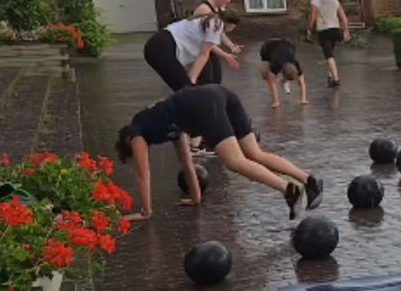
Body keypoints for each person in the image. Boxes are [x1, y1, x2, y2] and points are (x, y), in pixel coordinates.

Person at [114, 85, 323, 221]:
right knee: (254, 153)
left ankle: (289, 190)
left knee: (234, 161)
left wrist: (145, 212)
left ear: (127, 140)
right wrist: (196, 198)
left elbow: (142, 174)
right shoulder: (168, 125)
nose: (140, 150)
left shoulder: (136, 130)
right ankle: (309, 180)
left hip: (205, 105)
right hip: (218, 93)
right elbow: (187, 164)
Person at [143, 11, 242, 92]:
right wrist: (193, 78)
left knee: (188, 90)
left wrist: (226, 56)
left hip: (158, 44)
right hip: (161, 48)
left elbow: (208, 46)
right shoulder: (216, 24)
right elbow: (204, 54)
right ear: (230, 25)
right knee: (187, 90)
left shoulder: (210, 18)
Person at [191, 0, 244, 85]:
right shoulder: (204, 10)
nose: (228, 0)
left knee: (216, 77)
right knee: (206, 79)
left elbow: (219, 32)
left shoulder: (221, 9)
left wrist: (231, 45)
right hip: (200, 49)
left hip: (209, 48)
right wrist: (225, 55)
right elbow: (205, 40)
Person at [308, 0, 350, 87]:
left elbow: (312, 18)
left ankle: (336, 78)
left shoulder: (315, 2)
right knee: (330, 52)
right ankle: (330, 76)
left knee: (329, 55)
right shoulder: (335, 1)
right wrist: (346, 31)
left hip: (324, 30)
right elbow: (344, 18)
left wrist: (309, 30)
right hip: (335, 29)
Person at [259, 37, 308, 107]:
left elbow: (302, 83)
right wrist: (276, 102)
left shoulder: (296, 64)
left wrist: (303, 99)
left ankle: (283, 81)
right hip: (268, 47)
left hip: (288, 43)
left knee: (294, 76)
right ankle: (275, 95)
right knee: (265, 74)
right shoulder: (275, 64)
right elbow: (272, 81)